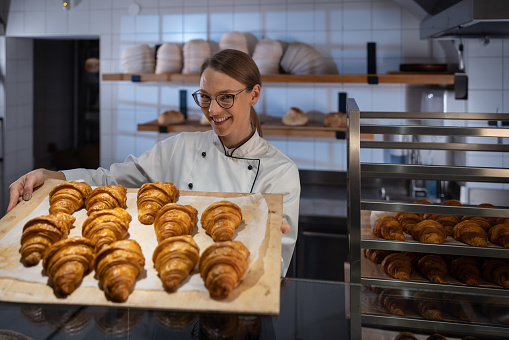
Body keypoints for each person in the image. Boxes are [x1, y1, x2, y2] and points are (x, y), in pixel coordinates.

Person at [7, 49, 300, 277]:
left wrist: (262, 238)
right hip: (169, 287)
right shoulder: (181, 147)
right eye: (205, 98)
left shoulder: (280, 172)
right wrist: (49, 175)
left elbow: (276, 266)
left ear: (254, 95)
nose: (212, 110)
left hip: (234, 298)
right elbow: (110, 181)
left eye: (225, 98)